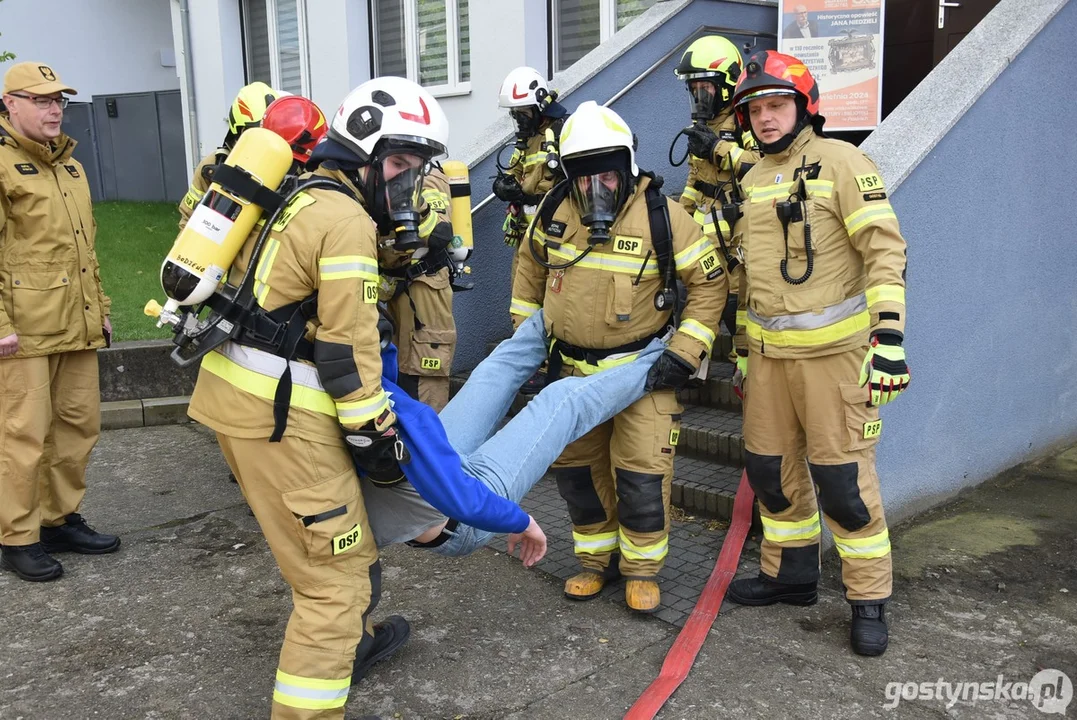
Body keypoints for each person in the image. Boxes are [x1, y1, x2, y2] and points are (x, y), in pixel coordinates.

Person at [186, 76, 450, 719]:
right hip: (283, 414)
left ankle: (352, 644)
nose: (406, 184)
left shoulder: (300, 193)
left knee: (329, 553)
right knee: (335, 581)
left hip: (234, 397)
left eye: (415, 169)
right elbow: (346, 349)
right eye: (398, 165)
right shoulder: (346, 219)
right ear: (360, 153)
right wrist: (378, 437)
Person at [725, 51, 910, 657]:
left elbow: (885, 251)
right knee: (770, 475)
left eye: (777, 105)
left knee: (844, 484)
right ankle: (791, 577)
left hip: (838, 360)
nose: (765, 118)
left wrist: (889, 340)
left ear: (805, 106)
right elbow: (748, 283)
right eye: (755, 109)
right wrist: (744, 355)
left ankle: (868, 599)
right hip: (771, 362)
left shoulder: (845, 162)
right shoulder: (751, 180)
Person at [510, 101, 727, 613]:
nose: (595, 190)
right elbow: (528, 275)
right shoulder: (554, 211)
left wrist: (685, 351)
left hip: (643, 375)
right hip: (573, 374)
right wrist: (528, 350)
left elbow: (709, 286)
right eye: (583, 178)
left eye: (606, 176)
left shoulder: (665, 218)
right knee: (579, 477)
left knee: (642, 479)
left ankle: (642, 571)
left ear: (626, 165)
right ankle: (595, 563)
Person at [358, 309, 665, 565]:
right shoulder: (357, 406)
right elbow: (459, 498)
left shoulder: (340, 366)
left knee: (493, 370)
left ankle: (562, 306)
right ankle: (664, 357)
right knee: (562, 400)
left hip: (434, 474)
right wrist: (519, 521)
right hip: (459, 518)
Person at [0, 62, 120, 582]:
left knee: (76, 426)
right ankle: (17, 536)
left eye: (60, 101)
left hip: (75, 323)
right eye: (42, 100)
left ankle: (58, 519)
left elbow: (84, 251)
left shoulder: (69, 166)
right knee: (23, 436)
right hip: (21, 332)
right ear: (10, 104)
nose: (54, 109)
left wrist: (103, 309)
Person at [675, 35, 759, 361]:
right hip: (706, 238)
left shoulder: (746, 119)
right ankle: (694, 368)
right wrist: (678, 220)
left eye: (705, 88)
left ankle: (749, 379)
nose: (699, 96)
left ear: (726, 85)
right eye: (694, 89)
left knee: (739, 315)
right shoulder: (703, 126)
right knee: (695, 302)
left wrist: (716, 149)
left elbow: (762, 168)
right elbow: (695, 180)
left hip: (737, 240)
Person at [494, 67, 569, 394]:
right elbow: (514, 172)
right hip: (525, 234)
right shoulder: (526, 140)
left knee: (545, 300)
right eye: (515, 114)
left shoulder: (560, 134)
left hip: (549, 237)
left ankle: (548, 365)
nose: (519, 119)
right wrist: (503, 186)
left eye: (522, 112)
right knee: (522, 301)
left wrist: (524, 194)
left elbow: (561, 186)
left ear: (539, 106)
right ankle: (529, 364)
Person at [379, 165, 458, 411]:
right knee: (400, 368)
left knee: (425, 374)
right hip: (402, 289)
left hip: (425, 289)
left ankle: (431, 443)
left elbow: (439, 233)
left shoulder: (430, 180)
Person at [177, 81, 281, 228]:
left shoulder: (287, 166)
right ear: (238, 131)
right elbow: (188, 218)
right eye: (257, 133)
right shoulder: (213, 166)